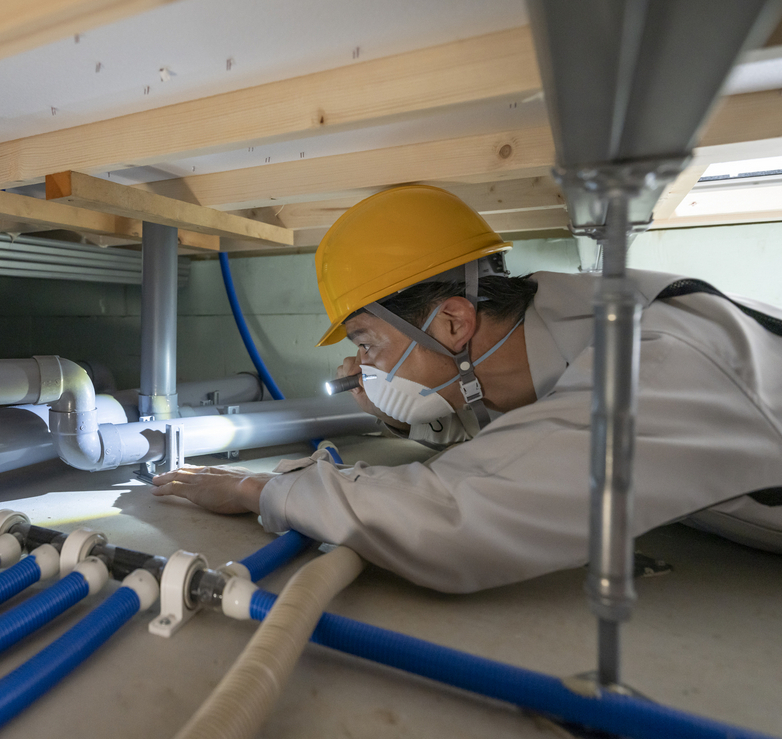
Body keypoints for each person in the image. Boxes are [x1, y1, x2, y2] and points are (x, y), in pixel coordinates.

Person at [150, 185, 782, 592]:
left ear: (451, 321)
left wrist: (258, 488)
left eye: (367, 343)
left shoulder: (655, 357)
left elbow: (456, 519)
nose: (360, 367)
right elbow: (511, 427)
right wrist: (403, 415)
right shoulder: (545, 328)